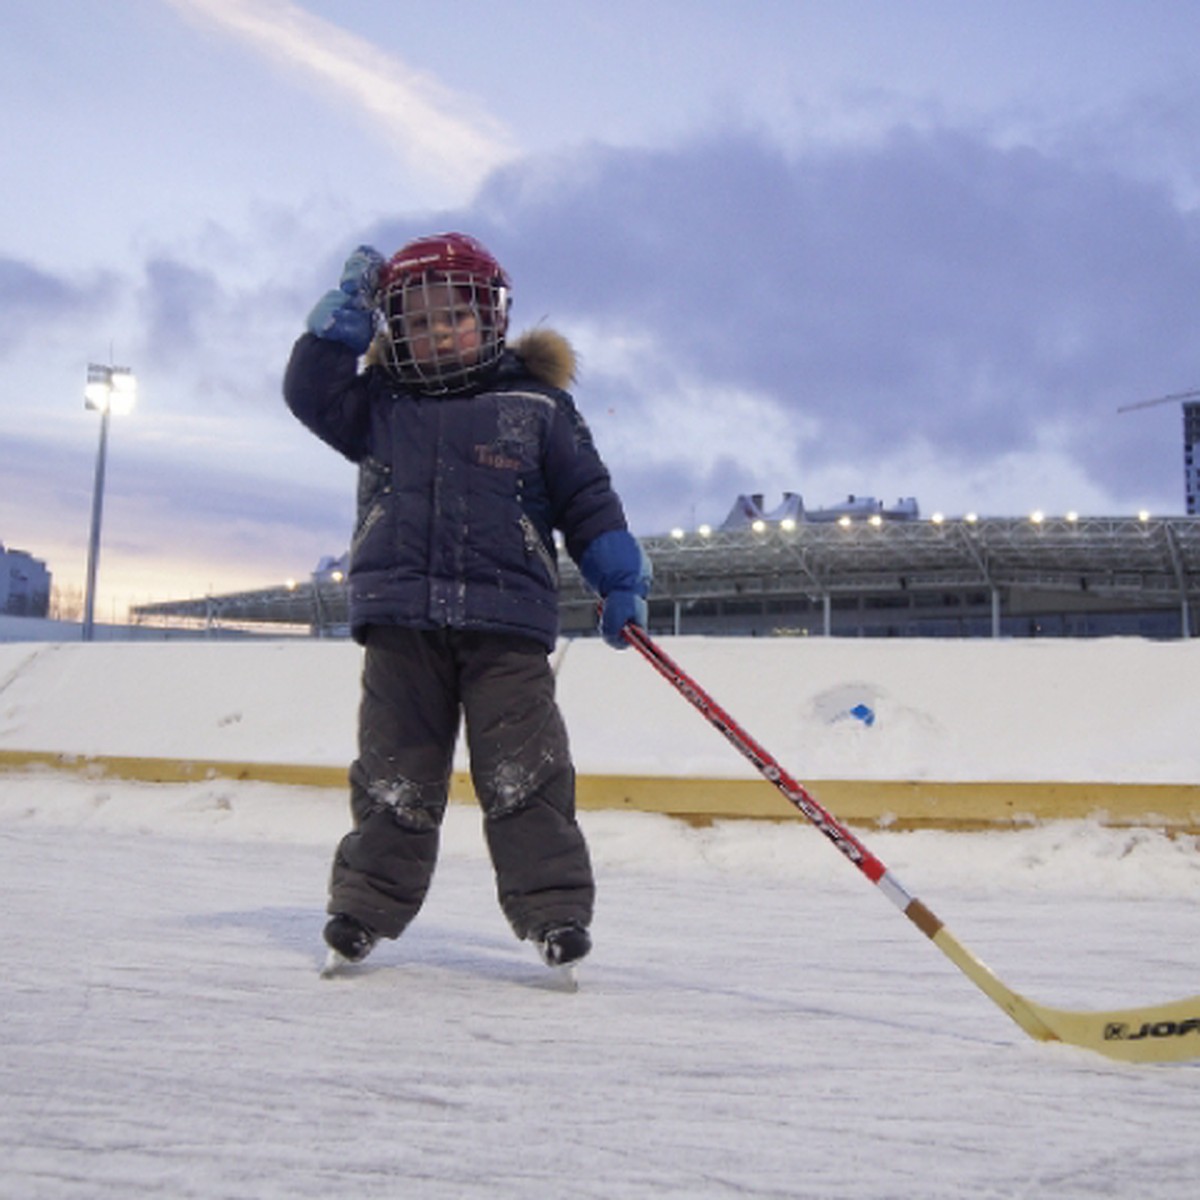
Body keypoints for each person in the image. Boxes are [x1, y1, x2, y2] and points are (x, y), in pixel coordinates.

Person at [283, 233, 651, 973]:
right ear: (394, 331)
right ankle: (364, 906)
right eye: (416, 323)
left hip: (505, 625)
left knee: (525, 773)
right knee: (395, 775)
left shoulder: (536, 407)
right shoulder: (379, 404)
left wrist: (619, 579)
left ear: (492, 318)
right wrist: (341, 322)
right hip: (401, 622)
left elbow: (588, 500)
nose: (437, 332)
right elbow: (310, 394)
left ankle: (552, 913)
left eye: (453, 316)